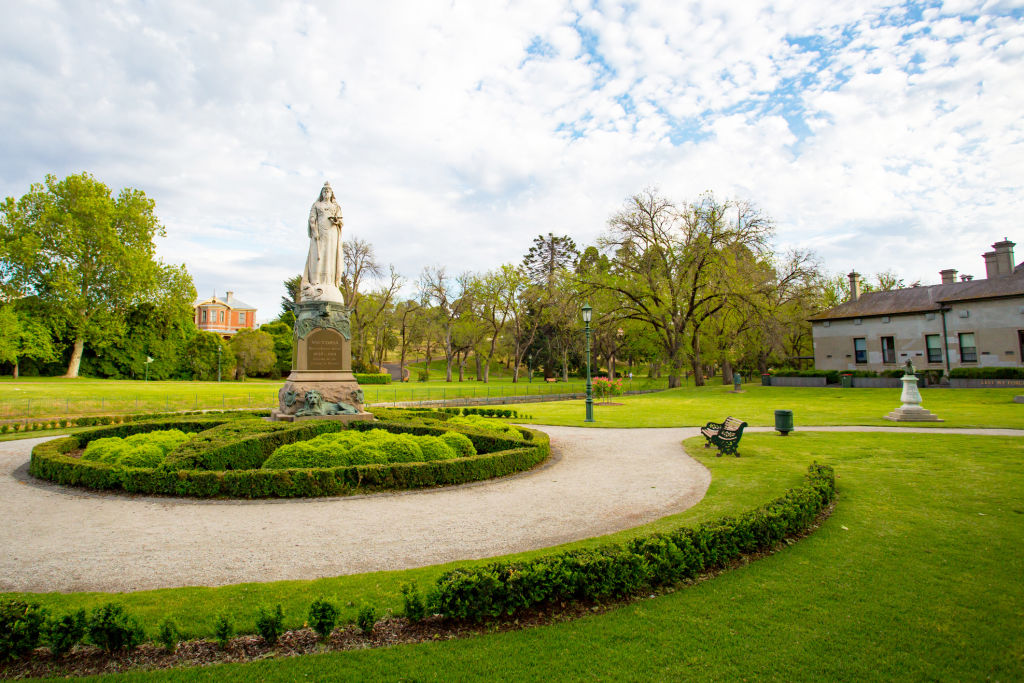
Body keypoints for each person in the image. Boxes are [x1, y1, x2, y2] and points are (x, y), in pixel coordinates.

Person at [302, 182, 344, 299]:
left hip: (332, 234)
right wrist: (314, 231)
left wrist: (336, 221)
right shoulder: (316, 205)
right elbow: (312, 219)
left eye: (328, 191)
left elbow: (341, 220)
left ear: (331, 193)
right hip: (319, 234)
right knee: (317, 256)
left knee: (330, 256)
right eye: (324, 191)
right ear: (321, 193)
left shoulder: (336, 207)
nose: (326, 193)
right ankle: (316, 281)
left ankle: (329, 281)